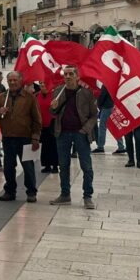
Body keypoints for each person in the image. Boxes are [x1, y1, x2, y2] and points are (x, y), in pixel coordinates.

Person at [49, 66, 98, 209]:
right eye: (66, 74)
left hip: (80, 134)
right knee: (63, 166)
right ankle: (65, 195)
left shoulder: (86, 93)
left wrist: (85, 129)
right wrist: (53, 107)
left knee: (86, 166)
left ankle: (87, 196)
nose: (68, 76)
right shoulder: (58, 91)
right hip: (62, 133)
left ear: (77, 76)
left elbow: (94, 115)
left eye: (71, 74)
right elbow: (54, 112)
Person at [0, 70, 41, 202]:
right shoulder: (1, 98)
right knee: (8, 166)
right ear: (7, 82)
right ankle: (10, 191)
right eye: (10, 80)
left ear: (20, 81)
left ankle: (31, 192)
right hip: (8, 137)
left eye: (15, 80)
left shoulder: (29, 97)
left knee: (28, 166)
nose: (12, 82)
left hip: (25, 137)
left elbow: (37, 119)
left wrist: (35, 137)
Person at [34, 81, 58, 173]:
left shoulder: (54, 95)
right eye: (41, 85)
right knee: (44, 147)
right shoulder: (37, 96)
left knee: (53, 146)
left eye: (44, 85)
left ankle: (55, 165)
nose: (42, 86)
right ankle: (46, 165)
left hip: (52, 124)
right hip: (41, 125)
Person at [93, 85, 125, 154]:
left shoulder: (106, 84)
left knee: (102, 127)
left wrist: (99, 105)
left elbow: (102, 96)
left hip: (106, 107)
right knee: (114, 126)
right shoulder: (114, 83)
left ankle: (100, 146)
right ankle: (121, 146)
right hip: (113, 106)